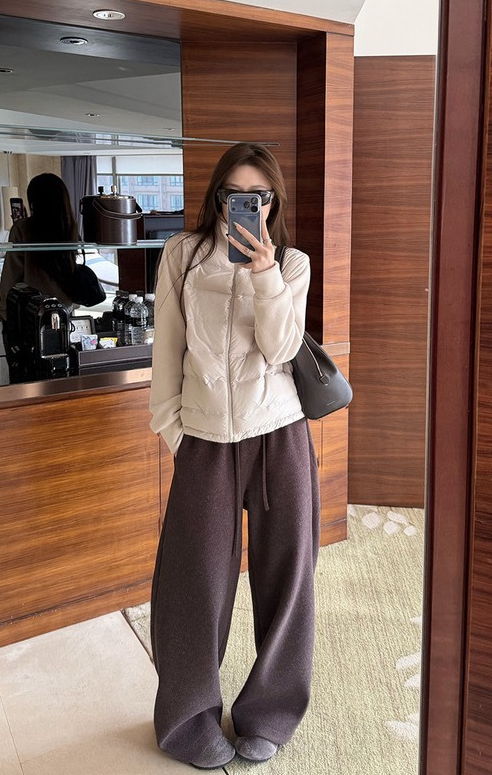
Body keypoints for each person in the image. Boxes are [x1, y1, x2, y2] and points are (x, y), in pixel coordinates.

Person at [148, 142, 320, 770]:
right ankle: (188, 720)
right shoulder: (182, 255)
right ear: (217, 196)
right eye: (234, 195)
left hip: (280, 433)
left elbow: (281, 351)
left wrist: (265, 275)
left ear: (273, 202)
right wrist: (175, 429)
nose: (246, 206)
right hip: (205, 440)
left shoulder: (292, 264)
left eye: (259, 197)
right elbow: (167, 346)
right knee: (192, 583)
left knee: (287, 576)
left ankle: (270, 714)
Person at [0, 173, 81, 319]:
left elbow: (11, 276)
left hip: (33, 308)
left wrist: (5, 310)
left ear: (34, 201)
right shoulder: (69, 227)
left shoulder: (22, 229)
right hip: (64, 306)